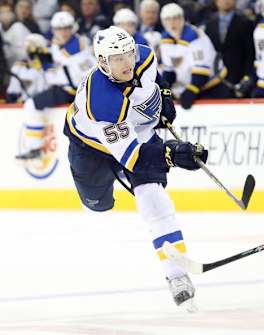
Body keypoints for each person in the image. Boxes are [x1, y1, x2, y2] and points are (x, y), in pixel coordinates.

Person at [63, 25, 206, 311]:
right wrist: (173, 154)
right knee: (98, 205)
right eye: (117, 59)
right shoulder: (102, 103)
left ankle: (176, 276)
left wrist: (164, 97)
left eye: (128, 53)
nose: (127, 62)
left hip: (136, 132)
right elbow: (135, 157)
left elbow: (158, 78)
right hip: (90, 149)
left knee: (154, 200)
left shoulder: (143, 57)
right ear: (103, 62)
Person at [15, 11, 96, 160]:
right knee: (31, 104)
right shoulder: (58, 45)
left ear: (73, 28)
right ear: (54, 30)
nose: (63, 32)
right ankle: (34, 147)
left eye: (66, 28)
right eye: (59, 28)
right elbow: (56, 72)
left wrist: (45, 59)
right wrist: (44, 61)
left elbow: (67, 63)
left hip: (82, 92)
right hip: (68, 90)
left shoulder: (78, 43)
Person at [159, 3, 232, 109]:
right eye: (168, 19)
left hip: (213, 88)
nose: (172, 23)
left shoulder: (195, 36)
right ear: (163, 22)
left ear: (182, 19)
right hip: (191, 89)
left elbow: (201, 72)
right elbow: (170, 71)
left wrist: (191, 90)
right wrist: (164, 90)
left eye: (176, 18)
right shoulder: (166, 39)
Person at [204, 0, 255, 86]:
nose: (226, 1)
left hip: (239, 77)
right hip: (215, 79)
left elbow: (251, 53)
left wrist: (247, 77)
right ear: (216, 2)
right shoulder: (209, 24)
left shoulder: (246, 23)